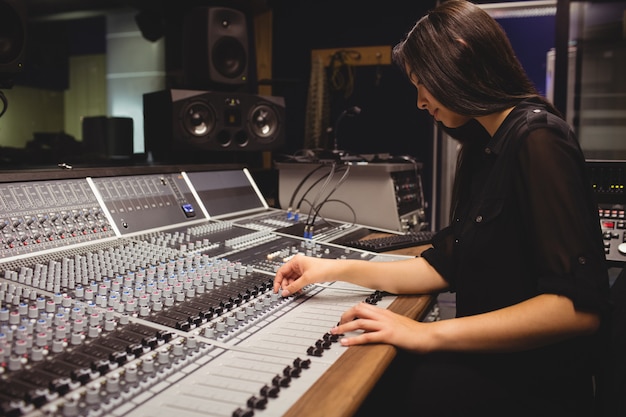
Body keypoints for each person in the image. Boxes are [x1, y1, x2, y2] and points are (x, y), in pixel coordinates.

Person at [273, 1, 611, 416]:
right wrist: (330, 268)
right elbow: (441, 267)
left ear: (461, 57)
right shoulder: (482, 147)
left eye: (422, 83)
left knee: (375, 390)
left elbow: (575, 310)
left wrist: (427, 334)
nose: (419, 102)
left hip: (532, 382)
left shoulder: (538, 138)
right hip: (489, 360)